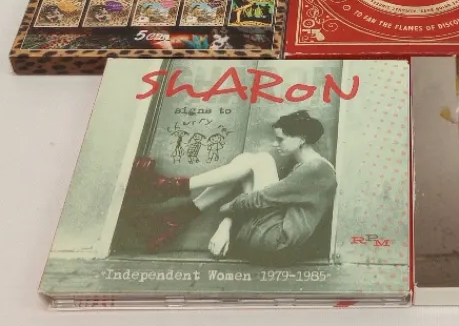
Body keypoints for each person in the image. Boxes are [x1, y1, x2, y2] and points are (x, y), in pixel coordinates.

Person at [129, 110, 338, 264]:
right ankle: (175, 211)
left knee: (262, 160)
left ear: (302, 139)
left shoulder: (317, 170)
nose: (276, 144)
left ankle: (173, 189)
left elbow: (261, 199)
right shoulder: (305, 167)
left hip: (274, 240)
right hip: (265, 239)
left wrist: (225, 221)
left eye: (280, 139)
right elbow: (261, 200)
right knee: (246, 161)